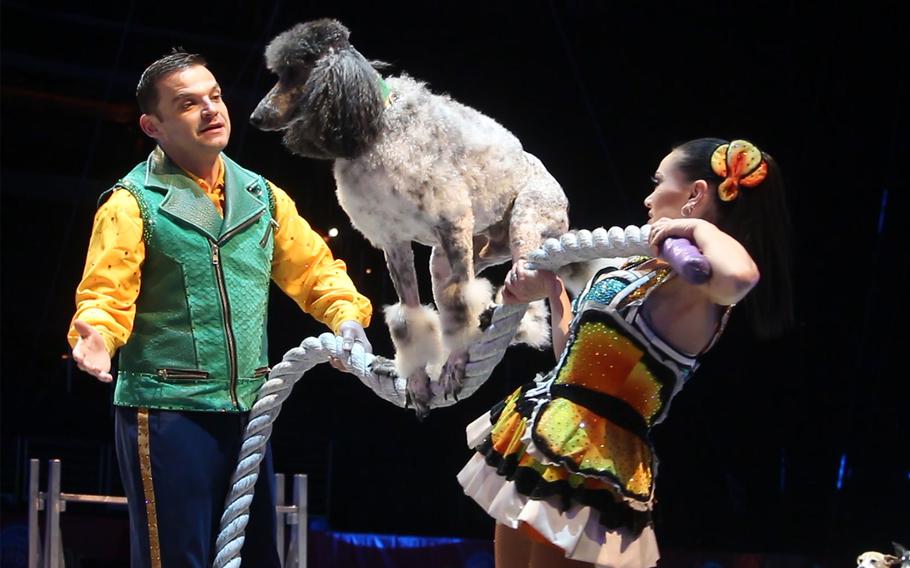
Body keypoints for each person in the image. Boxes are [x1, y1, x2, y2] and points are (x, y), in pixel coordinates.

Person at [67, 50, 373, 568]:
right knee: (179, 559)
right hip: (168, 408)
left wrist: (345, 316)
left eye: (215, 96)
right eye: (188, 104)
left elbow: (313, 269)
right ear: (153, 125)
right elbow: (107, 289)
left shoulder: (262, 197)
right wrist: (95, 334)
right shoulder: (132, 202)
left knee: (256, 559)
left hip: (248, 409)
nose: (211, 110)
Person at [457, 138, 793, 568]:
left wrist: (698, 229)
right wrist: (553, 293)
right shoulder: (645, 263)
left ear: (695, 195)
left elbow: (742, 275)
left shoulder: (699, 283)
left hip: (591, 463)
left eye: (658, 182)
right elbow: (572, 361)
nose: (648, 196)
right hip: (544, 436)